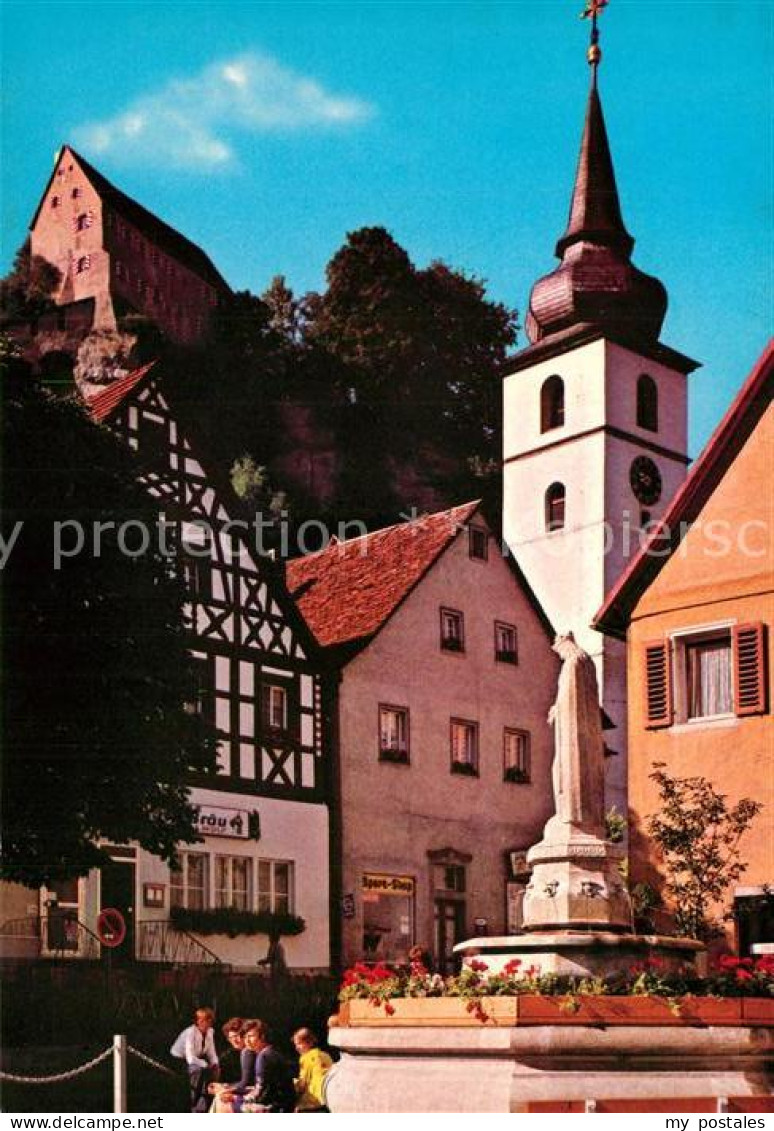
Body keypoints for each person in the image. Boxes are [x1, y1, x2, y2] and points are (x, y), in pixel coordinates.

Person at [237, 1020, 296, 1113]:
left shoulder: (264, 1057)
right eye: (245, 1037)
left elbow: (262, 1094)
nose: (247, 1040)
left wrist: (238, 1099)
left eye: (251, 1036)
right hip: (283, 1104)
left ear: (262, 1036)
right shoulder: (270, 1052)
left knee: (228, 1104)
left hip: (277, 1108)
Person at [170, 1006, 220, 1113]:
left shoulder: (210, 1032)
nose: (206, 1022)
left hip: (197, 1060)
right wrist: (206, 1065)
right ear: (198, 1021)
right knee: (198, 1070)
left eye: (208, 1020)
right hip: (178, 1060)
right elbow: (190, 1058)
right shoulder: (190, 1032)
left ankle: (203, 1107)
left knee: (211, 1071)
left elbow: (211, 1052)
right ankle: (193, 1104)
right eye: (202, 1020)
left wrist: (215, 1064)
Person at [208, 1018, 257, 1114]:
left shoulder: (249, 1052)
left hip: (252, 1092)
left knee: (221, 1099)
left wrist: (225, 1089)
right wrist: (222, 1086)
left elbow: (247, 1082)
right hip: (244, 1090)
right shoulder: (229, 1055)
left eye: (237, 1035)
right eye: (231, 1037)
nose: (235, 1040)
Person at [292, 1028, 333, 1112]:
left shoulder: (306, 1058)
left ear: (309, 1042)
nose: (297, 1048)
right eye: (296, 1045)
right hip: (326, 1101)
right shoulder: (326, 1056)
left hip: (310, 1103)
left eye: (299, 1044)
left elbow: (302, 1084)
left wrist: (292, 1083)